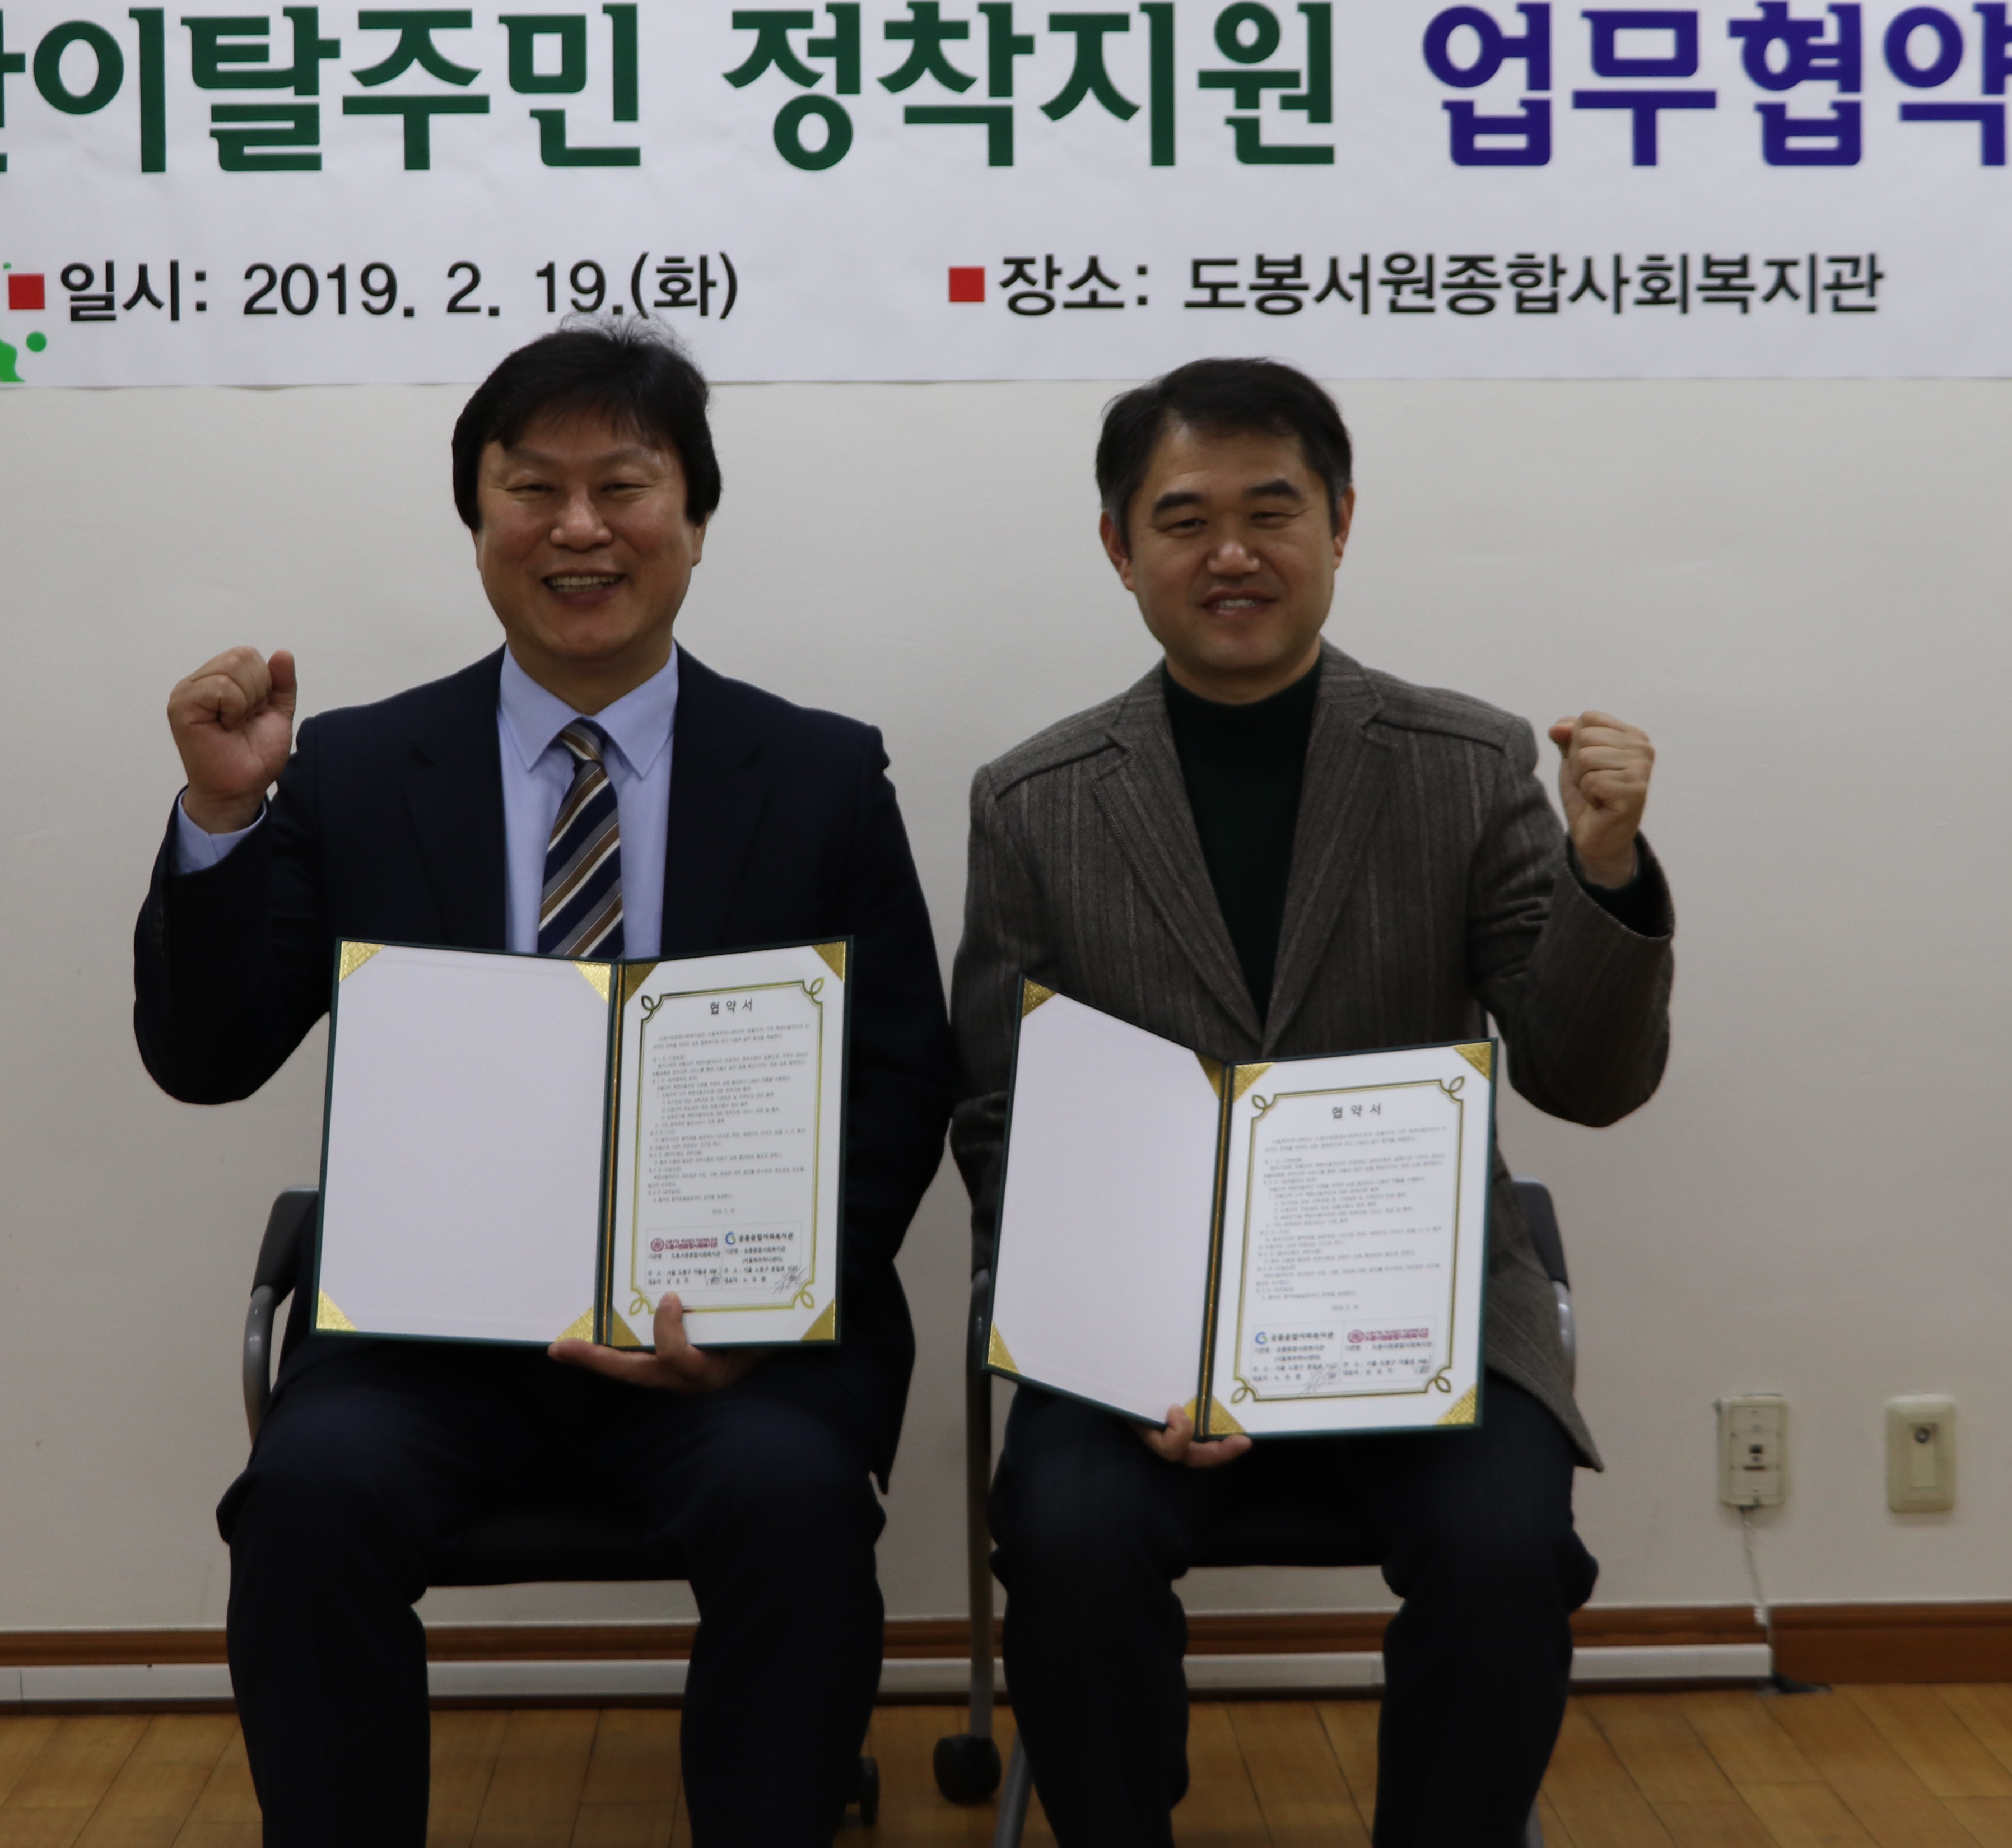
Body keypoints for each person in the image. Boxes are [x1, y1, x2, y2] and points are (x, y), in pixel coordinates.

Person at [134, 324, 956, 1848]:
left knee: (795, 1504)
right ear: (479, 524)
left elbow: (903, 1077)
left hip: (724, 1338)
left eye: (623, 487)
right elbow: (207, 1056)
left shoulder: (821, 774)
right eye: (533, 491)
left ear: (693, 521)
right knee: (307, 1500)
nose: (580, 529)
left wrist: (766, 1311)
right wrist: (222, 816)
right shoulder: (355, 771)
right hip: (425, 1353)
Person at [950, 358, 1674, 1847]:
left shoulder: (1467, 764)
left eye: (1272, 510)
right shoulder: (1037, 800)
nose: (1232, 552)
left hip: (1422, 1320)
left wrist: (1604, 871)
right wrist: (1131, 1338)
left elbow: (1586, 1079)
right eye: (1185, 519)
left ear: (1341, 524)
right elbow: (1004, 1118)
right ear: (1120, 548)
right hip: (1144, 1338)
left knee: (1506, 1545)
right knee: (1069, 1536)